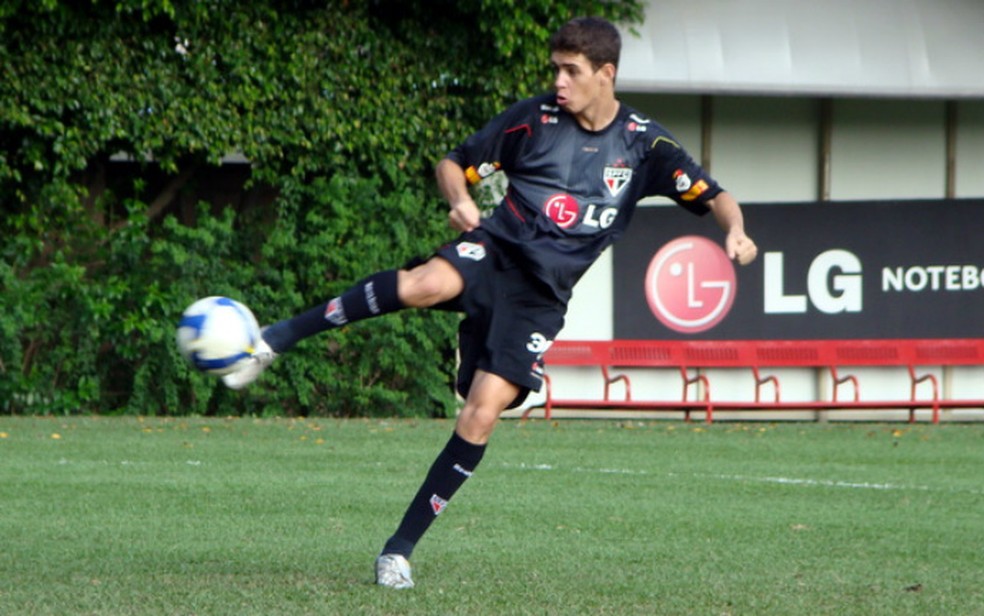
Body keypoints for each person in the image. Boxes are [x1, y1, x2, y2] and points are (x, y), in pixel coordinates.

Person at [222, 16, 758, 589]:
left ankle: (397, 552)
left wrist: (736, 231)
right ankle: (272, 340)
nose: (559, 80)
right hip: (495, 249)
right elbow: (453, 164)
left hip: (541, 296)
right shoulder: (534, 121)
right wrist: (458, 199)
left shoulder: (645, 145)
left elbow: (714, 195)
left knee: (479, 414)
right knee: (422, 284)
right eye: (555, 68)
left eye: (571, 70)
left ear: (606, 74)